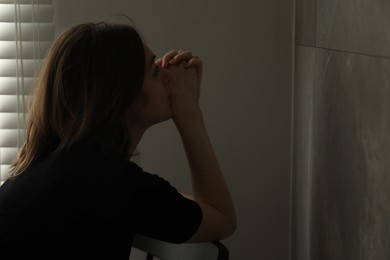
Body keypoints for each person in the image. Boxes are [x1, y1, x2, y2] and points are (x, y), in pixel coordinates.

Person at [0, 20, 236, 260]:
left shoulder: (52, 168)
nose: (168, 73)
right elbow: (222, 218)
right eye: (154, 71)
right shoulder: (112, 184)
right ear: (122, 98)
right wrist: (189, 113)